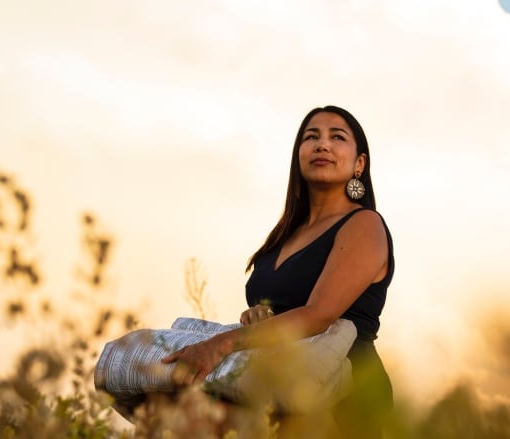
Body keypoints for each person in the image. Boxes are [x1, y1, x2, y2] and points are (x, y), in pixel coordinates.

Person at [161, 105, 394, 437]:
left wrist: (220, 345)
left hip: (341, 395)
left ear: (360, 163)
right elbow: (289, 311)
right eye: (311, 137)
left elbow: (319, 314)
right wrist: (259, 317)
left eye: (337, 137)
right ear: (299, 154)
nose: (322, 144)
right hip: (278, 389)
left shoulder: (364, 224)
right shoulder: (283, 236)